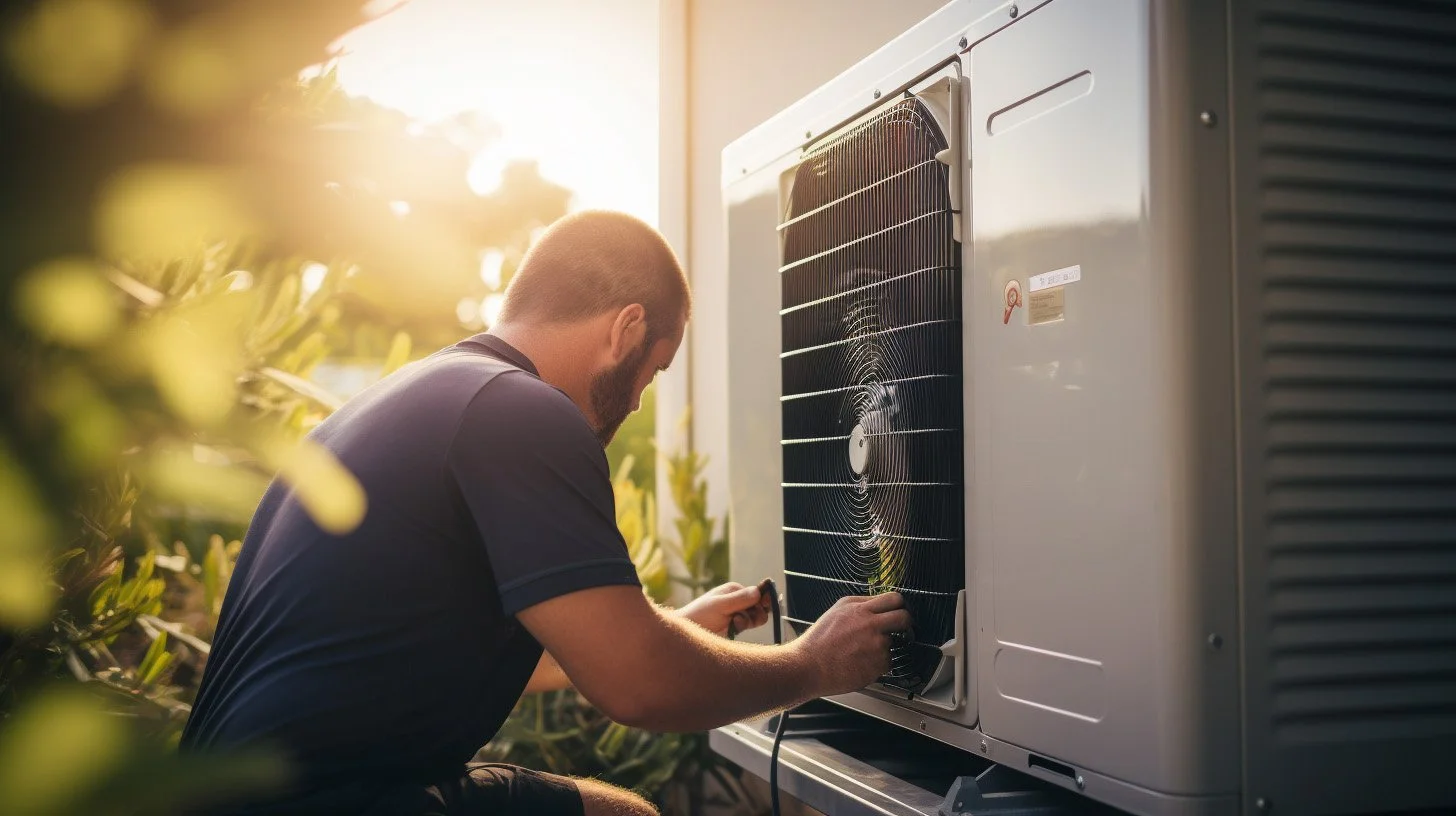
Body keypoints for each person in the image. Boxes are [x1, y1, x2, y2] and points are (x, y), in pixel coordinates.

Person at [181, 210, 911, 816]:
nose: (633, 403)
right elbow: (640, 686)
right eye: (653, 373)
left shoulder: (415, 398)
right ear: (626, 329)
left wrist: (673, 630)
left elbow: (430, 647)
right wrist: (811, 664)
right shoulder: (521, 410)